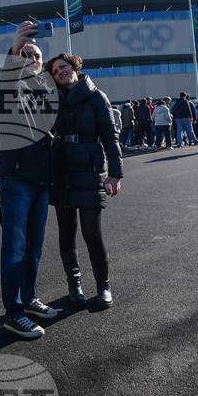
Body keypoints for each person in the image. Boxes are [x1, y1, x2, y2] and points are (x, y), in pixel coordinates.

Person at [0, 21, 58, 339]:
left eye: (37, 55)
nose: (33, 58)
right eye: (27, 54)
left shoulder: (44, 93)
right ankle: (14, 313)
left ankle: (30, 298)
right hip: (17, 178)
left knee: (34, 248)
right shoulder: (10, 86)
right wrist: (15, 48)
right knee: (15, 250)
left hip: (41, 181)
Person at [46, 53, 123, 310]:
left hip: (90, 171)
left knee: (92, 232)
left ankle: (103, 285)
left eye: (63, 67)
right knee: (66, 232)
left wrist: (115, 173)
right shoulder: (53, 99)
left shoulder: (96, 97)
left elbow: (110, 137)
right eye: (55, 71)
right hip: (61, 171)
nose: (60, 73)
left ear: (75, 67)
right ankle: (74, 283)